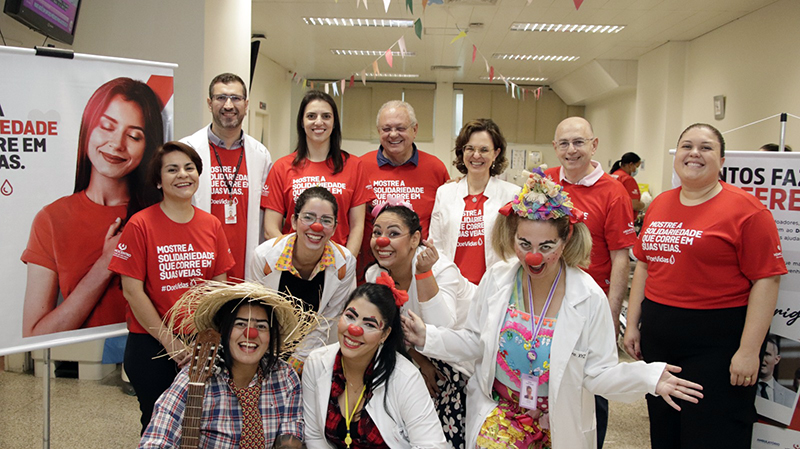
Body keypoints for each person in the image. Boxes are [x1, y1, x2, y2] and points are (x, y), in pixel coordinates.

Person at [402, 169, 703, 449]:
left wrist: (646, 378)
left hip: (559, 422)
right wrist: (427, 336)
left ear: (566, 239)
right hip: (500, 416)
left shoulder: (588, 296)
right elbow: (474, 341)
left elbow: (598, 373)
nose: (533, 257)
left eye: (546, 246)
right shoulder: (497, 279)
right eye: (524, 244)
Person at [623, 123, 786, 448]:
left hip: (717, 347)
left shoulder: (748, 211)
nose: (694, 153)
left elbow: (767, 280)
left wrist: (749, 351)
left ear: (722, 159)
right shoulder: (660, 204)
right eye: (686, 146)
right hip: (660, 341)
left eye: (706, 147)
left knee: (711, 434)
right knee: (665, 430)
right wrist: (632, 325)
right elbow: (644, 264)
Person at [21, 77, 163, 337]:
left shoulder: (158, 215)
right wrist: (107, 262)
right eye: (107, 126)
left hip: (149, 358)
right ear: (88, 128)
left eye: (133, 136)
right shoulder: (51, 219)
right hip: (79, 366)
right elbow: (35, 335)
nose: (117, 144)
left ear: (148, 146)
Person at [109, 141, 235, 432]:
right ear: (158, 180)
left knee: (199, 425)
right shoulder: (140, 225)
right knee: (158, 425)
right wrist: (170, 342)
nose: (183, 175)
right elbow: (132, 291)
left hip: (199, 342)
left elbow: (219, 286)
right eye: (172, 169)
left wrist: (207, 336)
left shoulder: (212, 225)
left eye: (189, 168)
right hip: (151, 344)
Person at [544, 116, 637, 447]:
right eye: (564, 144)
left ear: (594, 145)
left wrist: (611, 317)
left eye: (579, 142)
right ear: (555, 148)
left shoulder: (613, 191)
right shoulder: (545, 183)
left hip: (588, 310)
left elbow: (621, 258)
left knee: (591, 390)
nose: (571, 151)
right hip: (544, 307)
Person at [139, 281, 316, 448]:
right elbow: (157, 438)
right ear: (224, 332)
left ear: (271, 337)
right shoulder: (194, 379)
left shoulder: (285, 376)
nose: (250, 333)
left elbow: (291, 429)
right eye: (240, 324)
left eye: (261, 326)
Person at [366, 199, 475, 449]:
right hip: (418, 357)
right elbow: (391, 331)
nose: (382, 241)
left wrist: (424, 273)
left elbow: (442, 329)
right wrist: (420, 361)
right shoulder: (375, 275)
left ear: (415, 239)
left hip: (461, 360)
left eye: (393, 233)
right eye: (377, 233)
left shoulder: (441, 269)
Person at [302, 275, 449, 449]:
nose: (354, 329)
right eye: (350, 316)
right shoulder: (316, 363)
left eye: (370, 325)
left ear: (385, 335)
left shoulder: (405, 378)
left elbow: (432, 445)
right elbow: (314, 436)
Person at [248, 186, 357, 373]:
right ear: (294, 221)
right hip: (268, 345)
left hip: (315, 349)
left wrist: (298, 360)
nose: (317, 226)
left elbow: (327, 319)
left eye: (326, 220)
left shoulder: (344, 264)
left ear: (334, 227)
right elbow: (257, 311)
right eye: (308, 217)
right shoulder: (264, 257)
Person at [180, 73, 272, 281]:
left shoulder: (261, 155)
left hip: (245, 265)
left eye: (236, 98)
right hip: (197, 259)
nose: (228, 105)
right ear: (209, 103)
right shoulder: (187, 150)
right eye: (221, 98)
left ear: (246, 104)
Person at [262, 90, 372, 256]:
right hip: (291, 264)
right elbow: (270, 229)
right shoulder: (282, 167)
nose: (319, 122)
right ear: (301, 121)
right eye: (311, 116)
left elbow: (357, 226)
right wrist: (293, 260)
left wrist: (345, 262)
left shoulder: (354, 166)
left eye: (326, 116)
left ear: (334, 123)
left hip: (337, 265)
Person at [358, 100, 450, 280]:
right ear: (379, 132)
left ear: (414, 130)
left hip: (421, 272)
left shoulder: (435, 168)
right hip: (371, 273)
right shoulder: (361, 166)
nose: (393, 135)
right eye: (386, 129)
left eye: (400, 128)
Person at [429, 118, 519, 286]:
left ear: (496, 153)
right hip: (452, 286)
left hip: (496, 286)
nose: (476, 155)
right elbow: (436, 245)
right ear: (462, 151)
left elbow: (516, 248)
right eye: (470, 148)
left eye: (484, 149)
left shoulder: (512, 195)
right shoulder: (445, 193)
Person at [758, 335, 795, 407]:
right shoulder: (742, 387)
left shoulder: (791, 397)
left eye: (766, 354)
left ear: (777, 359)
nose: (762, 358)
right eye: (759, 353)